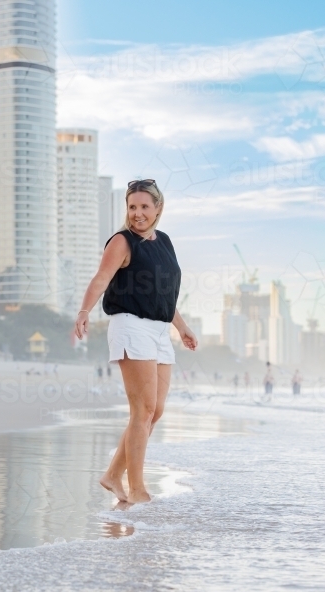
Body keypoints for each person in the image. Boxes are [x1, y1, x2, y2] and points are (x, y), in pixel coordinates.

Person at [74, 179, 198, 506]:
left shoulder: (165, 242)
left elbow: (164, 293)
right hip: (130, 326)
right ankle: (137, 488)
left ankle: (113, 475)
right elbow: (101, 278)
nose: (138, 213)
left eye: (144, 206)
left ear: (158, 208)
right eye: (132, 207)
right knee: (141, 410)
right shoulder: (122, 241)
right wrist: (84, 311)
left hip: (160, 330)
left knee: (154, 411)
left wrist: (182, 327)